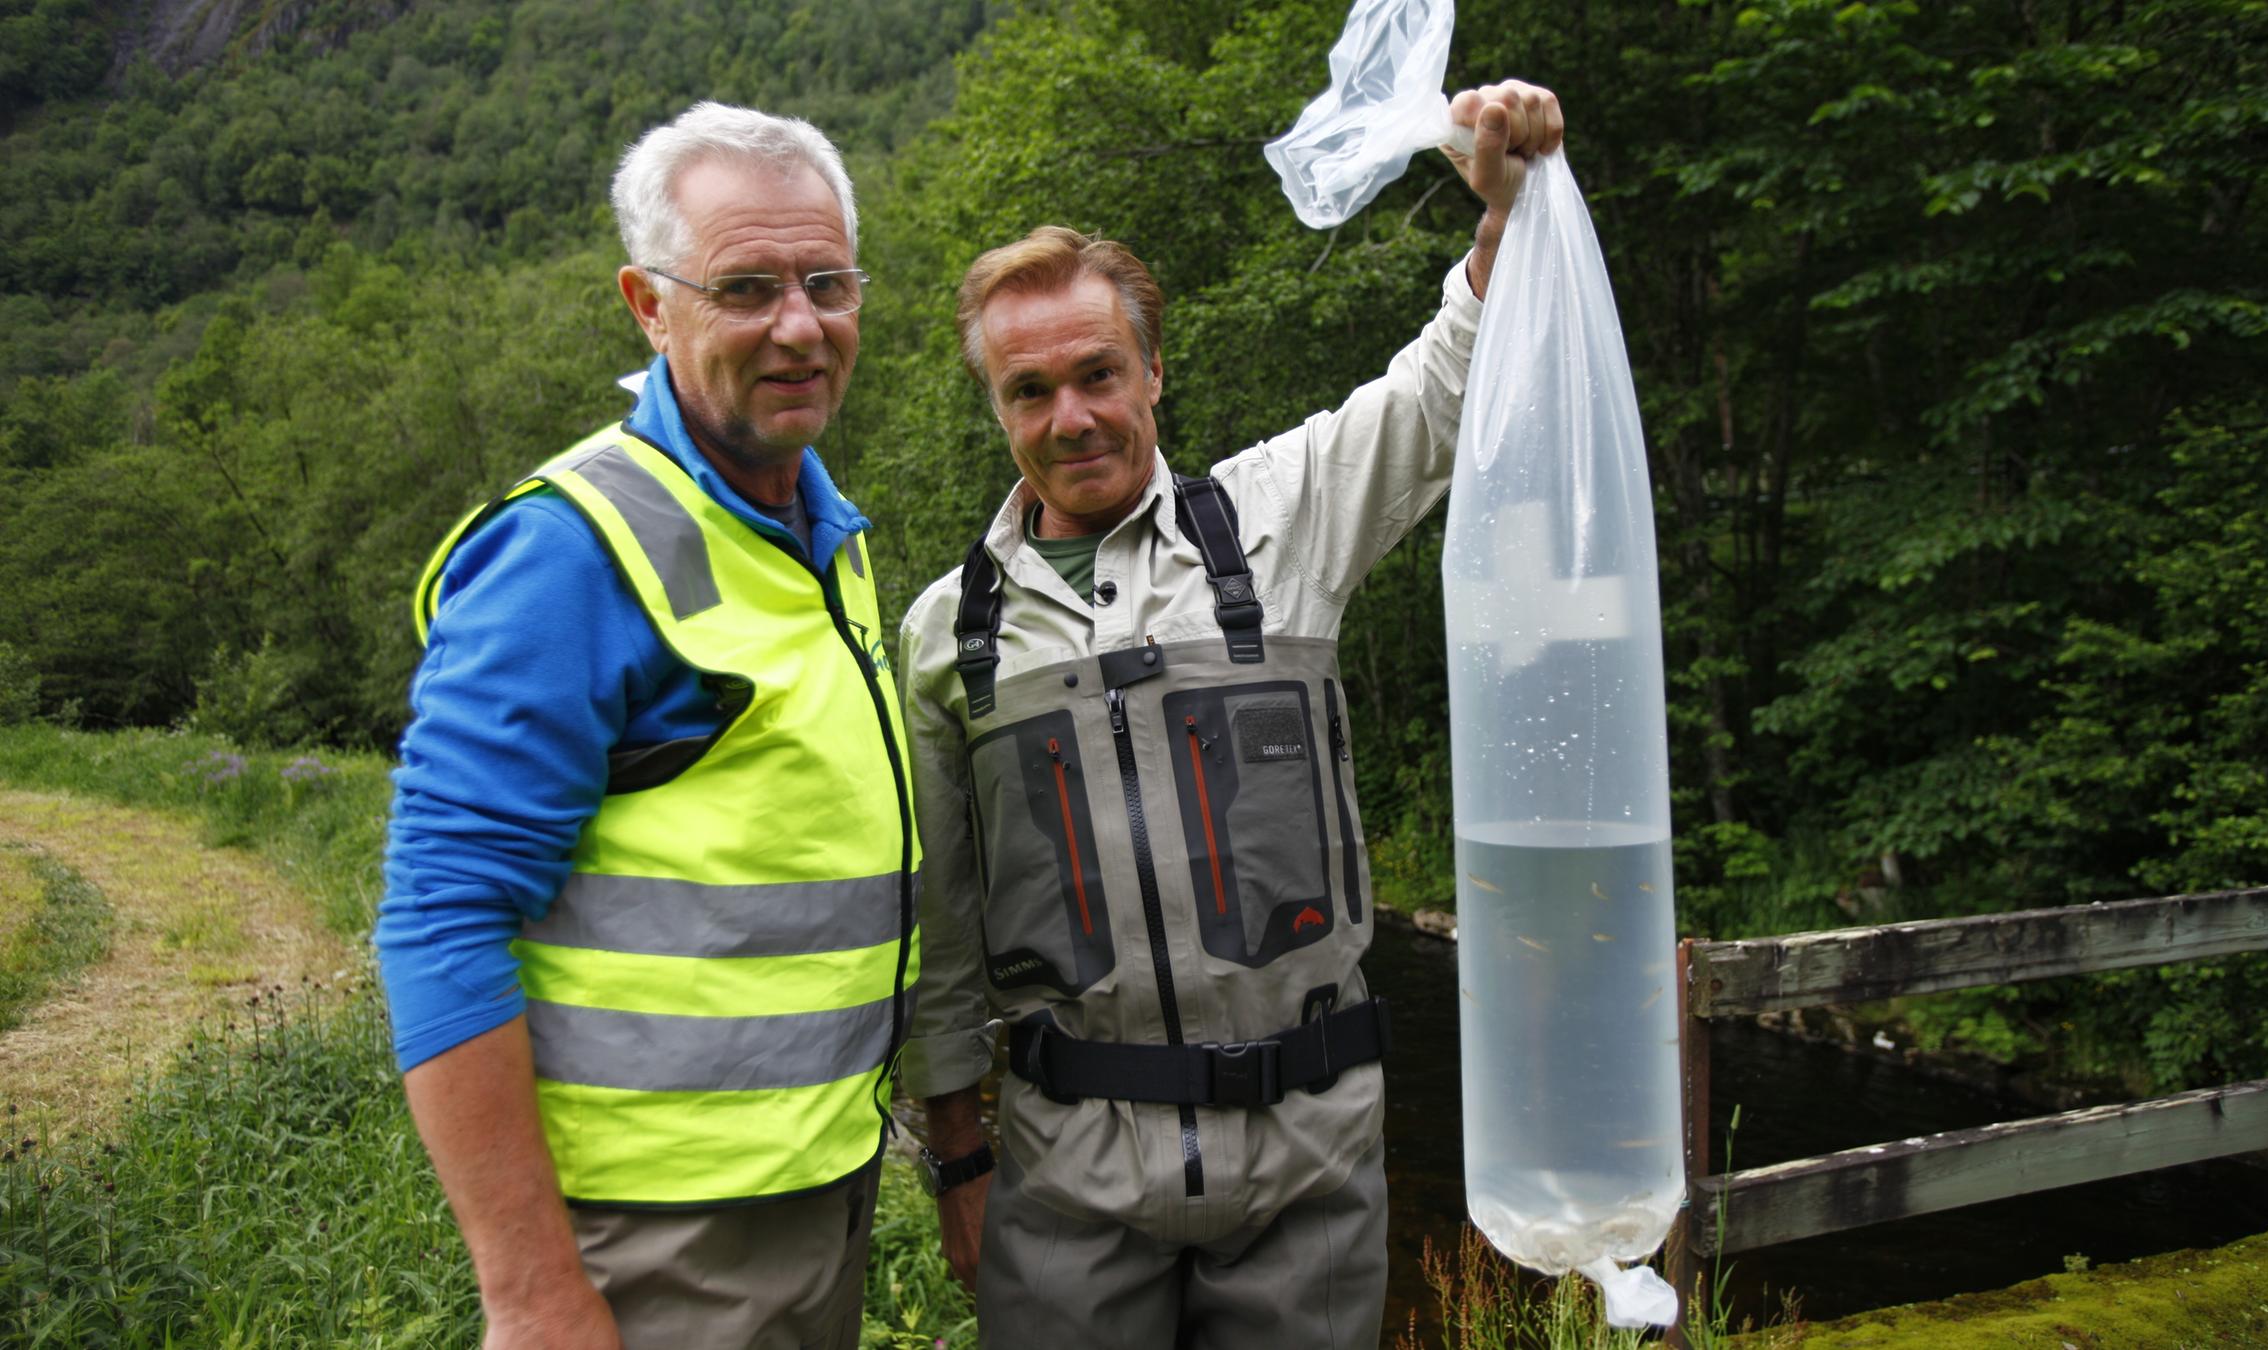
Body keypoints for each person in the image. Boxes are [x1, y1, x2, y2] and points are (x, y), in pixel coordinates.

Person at [894, 82, 1565, 1349]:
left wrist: (1504, 214)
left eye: (1098, 373)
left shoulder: (1280, 514)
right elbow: (943, 940)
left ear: (1153, 367)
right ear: (997, 407)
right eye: (1029, 391)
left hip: (1309, 1163)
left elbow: (1441, 387)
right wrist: (960, 1161)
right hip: (1066, 1179)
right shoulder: (947, 634)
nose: (1071, 416)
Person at [375, 101, 919, 1350]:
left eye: (827, 282)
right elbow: (441, 916)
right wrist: (531, 1291)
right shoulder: (570, 552)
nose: (801, 326)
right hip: (654, 1247)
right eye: (745, 288)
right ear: (647, 304)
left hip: (815, 1195)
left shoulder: (817, 532)